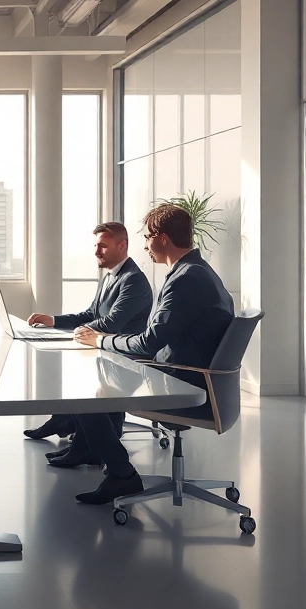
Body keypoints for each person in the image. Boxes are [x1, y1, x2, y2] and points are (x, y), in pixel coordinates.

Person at [68, 204, 234, 504]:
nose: (144, 245)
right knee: (101, 382)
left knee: (84, 396)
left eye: (147, 237)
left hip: (186, 386)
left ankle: (121, 474)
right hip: (194, 378)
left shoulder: (185, 279)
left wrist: (102, 341)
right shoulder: (198, 271)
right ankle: (92, 451)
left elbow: (149, 343)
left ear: (163, 238)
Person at [22, 222, 153, 465]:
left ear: (122, 246)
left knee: (77, 380)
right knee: (69, 370)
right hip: (105, 352)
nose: (96, 252)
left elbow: (112, 323)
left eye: (103, 246)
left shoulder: (133, 280)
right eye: (96, 245)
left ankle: (76, 437)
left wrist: (80, 332)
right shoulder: (111, 276)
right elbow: (91, 314)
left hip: (124, 360)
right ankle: (69, 430)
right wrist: (53, 320)